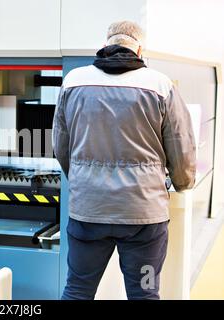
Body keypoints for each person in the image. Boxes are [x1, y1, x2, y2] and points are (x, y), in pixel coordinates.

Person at [52, 20, 196, 300]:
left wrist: (83, 179)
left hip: (89, 212)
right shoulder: (160, 85)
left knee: (78, 290)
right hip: (144, 216)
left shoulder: (74, 81)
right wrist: (182, 183)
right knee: (144, 293)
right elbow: (181, 145)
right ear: (140, 49)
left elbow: (61, 145)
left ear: (107, 44)